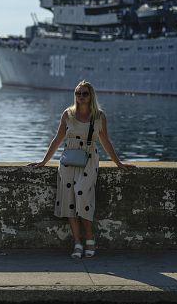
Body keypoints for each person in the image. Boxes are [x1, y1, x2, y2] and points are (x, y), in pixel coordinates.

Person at [28, 80, 134, 259]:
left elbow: (105, 141)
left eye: (85, 93)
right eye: (78, 93)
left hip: (89, 160)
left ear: (91, 95)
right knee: (70, 200)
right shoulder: (68, 114)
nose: (81, 97)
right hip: (68, 160)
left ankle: (90, 238)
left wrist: (118, 163)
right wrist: (44, 161)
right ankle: (77, 242)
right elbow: (57, 139)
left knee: (82, 194)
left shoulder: (98, 116)